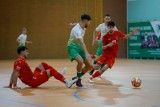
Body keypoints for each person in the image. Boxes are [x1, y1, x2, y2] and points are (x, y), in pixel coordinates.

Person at [4, 46, 77, 89]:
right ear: (22, 52)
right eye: (26, 51)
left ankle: (57, 74)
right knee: (50, 71)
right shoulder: (20, 61)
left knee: (42, 64)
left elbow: (14, 72)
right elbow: (15, 73)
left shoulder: (18, 61)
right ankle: (67, 82)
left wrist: (10, 85)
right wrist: (15, 85)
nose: (28, 53)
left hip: (33, 76)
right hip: (33, 81)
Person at [67, 14, 92, 87]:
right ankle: (79, 80)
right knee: (80, 61)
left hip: (79, 47)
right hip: (72, 47)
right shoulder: (76, 30)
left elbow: (78, 23)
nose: (89, 24)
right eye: (89, 22)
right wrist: (87, 53)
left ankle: (77, 77)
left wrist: (72, 24)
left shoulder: (83, 26)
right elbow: (81, 42)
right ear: (85, 21)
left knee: (89, 66)